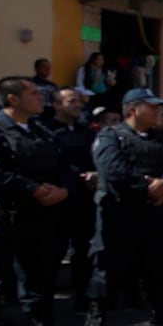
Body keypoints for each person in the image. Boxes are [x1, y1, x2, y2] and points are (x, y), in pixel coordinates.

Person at [81, 88, 163, 326]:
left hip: (156, 211)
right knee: (107, 264)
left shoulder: (162, 138)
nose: (157, 112)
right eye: (151, 107)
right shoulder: (111, 135)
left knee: (159, 261)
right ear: (132, 109)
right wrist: (147, 187)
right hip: (120, 211)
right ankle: (96, 315)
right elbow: (112, 168)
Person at [0, 76, 77, 326]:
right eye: (34, 93)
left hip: (41, 215)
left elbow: (65, 165)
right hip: (4, 215)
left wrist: (64, 189)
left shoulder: (41, 130)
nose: (41, 98)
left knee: (40, 275)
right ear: (13, 99)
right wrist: (33, 189)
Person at [40, 87, 98, 312]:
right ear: (56, 105)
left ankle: (84, 297)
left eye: (79, 101)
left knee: (84, 251)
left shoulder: (86, 132)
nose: (78, 105)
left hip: (84, 198)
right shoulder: (46, 130)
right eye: (72, 101)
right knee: (53, 252)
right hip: (58, 198)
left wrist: (95, 174)